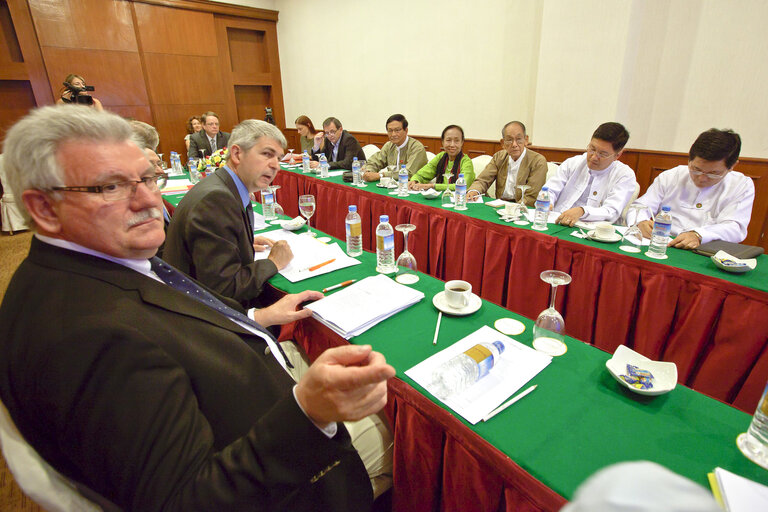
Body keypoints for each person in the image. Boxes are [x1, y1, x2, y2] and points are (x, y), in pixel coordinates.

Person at [0, 105, 394, 511]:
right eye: (111, 187)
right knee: (393, 428)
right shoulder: (83, 336)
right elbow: (187, 500)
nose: (149, 200)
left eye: (149, 178)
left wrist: (259, 318)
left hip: (245, 380)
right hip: (289, 470)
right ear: (44, 209)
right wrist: (309, 413)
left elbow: (186, 310)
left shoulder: (108, 258)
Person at [165, 120, 294, 310]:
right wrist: (273, 262)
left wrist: (238, 243)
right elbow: (224, 289)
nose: (276, 166)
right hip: (203, 318)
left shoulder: (222, 186)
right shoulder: (216, 199)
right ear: (236, 154)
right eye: (267, 154)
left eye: (279, 159)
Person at [633, 128, 754, 249]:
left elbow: (735, 227)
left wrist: (699, 235)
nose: (702, 178)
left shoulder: (741, 185)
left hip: (703, 250)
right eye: (696, 169)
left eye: (713, 173)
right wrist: (641, 221)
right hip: (661, 244)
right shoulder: (672, 176)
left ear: (732, 166)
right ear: (689, 159)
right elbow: (640, 206)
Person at [544, 122, 637, 226]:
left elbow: (611, 211)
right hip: (556, 220)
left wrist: (582, 211)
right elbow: (549, 190)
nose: (593, 157)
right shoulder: (573, 163)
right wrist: (548, 201)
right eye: (592, 149)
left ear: (617, 155)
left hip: (594, 232)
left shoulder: (624, 175)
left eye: (602, 154)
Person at [467, 121, 547, 205]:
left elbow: (531, 197)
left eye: (519, 139)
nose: (514, 144)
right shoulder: (499, 157)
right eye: (509, 140)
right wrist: (474, 191)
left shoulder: (538, 161)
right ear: (503, 143)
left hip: (522, 208)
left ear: (526, 140)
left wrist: (513, 209)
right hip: (499, 205)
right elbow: (483, 180)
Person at [362, 114, 427, 182]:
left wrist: (381, 175)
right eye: (390, 130)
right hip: (391, 186)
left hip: (412, 187)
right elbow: (375, 161)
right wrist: (368, 171)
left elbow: (408, 174)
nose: (393, 134)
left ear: (406, 131)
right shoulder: (389, 145)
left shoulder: (416, 147)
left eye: (397, 130)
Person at [408, 125, 475, 191]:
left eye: (456, 141)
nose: (452, 145)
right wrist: (414, 181)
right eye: (448, 140)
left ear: (462, 142)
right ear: (442, 142)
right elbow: (421, 174)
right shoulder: (441, 157)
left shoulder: (466, 161)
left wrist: (433, 186)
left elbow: (462, 186)